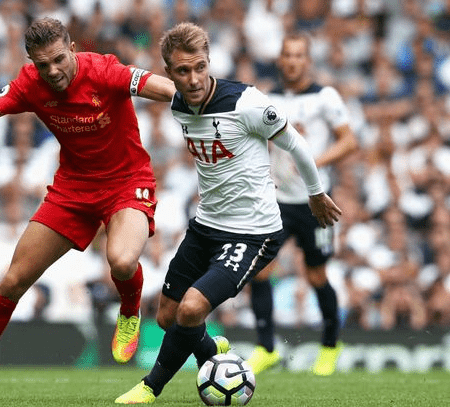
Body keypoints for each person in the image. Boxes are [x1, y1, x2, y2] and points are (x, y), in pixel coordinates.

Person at [0, 17, 176, 401]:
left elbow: (160, 86)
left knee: (120, 261)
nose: (52, 71)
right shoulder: (30, 83)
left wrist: (197, 95)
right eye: (42, 64)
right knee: (13, 281)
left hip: (126, 182)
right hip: (73, 189)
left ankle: (130, 308)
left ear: (71, 48)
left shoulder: (104, 70)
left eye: (58, 60)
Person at [115, 22, 342, 404]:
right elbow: (127, 80)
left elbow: (296, 143)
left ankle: (150, 386)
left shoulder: (246, 103)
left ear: (209, 62)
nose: (193, 78)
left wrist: (315, 193)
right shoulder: (176, 104)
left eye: (200, 67)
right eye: (182, 71)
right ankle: (213, 354)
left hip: (253, 233)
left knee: (191, 308)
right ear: (169, 72)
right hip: (206, 225)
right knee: (168, 317)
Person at [245, 32, 358, 377]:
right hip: (277, 201)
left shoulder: (325, 97)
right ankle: (266, 349)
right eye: (287, 55)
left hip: (315, 201)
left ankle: (330, 346)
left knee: (316, 274)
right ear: (280, 59)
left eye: (298, 55)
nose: (292, 61)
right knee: (259, 270)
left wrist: (315, 163)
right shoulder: (266, 98)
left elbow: (349, 140)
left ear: (308, 60)